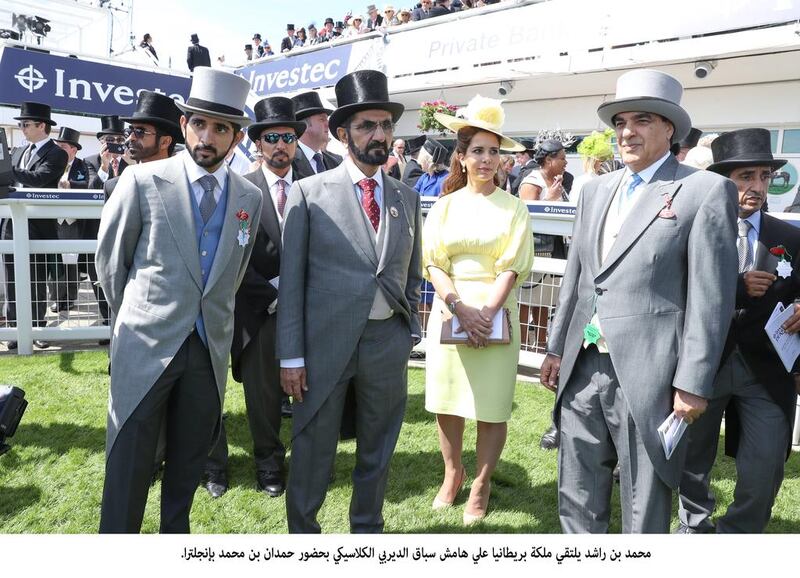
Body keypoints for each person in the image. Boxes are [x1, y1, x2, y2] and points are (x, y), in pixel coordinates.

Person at [539, 69, 738, 533]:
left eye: (642, 120)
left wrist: (692, 381)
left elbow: (712, 298)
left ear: (670, 128)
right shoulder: (594, 191)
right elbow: (579, 279)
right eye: (620, 122)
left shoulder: (704, 191)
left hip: (651, 375)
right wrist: (554, 348)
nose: (627, 132)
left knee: (643, 502)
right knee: (577, 493)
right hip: (582, 367)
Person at [96, 68, 262, 533]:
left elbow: (236, 266)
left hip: (207, 353)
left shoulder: (249, 195)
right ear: (185, 124)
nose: (208, 137)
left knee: (187, 469)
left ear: (236, 136)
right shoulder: (142, 181)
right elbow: (111, 264)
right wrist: (139, 317)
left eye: (221, 128)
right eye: (200, 124)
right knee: (128, 467)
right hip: (145, 346)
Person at [277, 69, 422, 533]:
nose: (379, 135)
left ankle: (367, 533)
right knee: (312, 451)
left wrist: (408, 331)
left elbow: (409, 272)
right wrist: (292, 356)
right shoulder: (308, 193)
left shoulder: (406, 196)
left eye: (385, 125)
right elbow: (293, 281)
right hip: (322, 347)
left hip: (386, 345)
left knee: (377, 450)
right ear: (342, 135)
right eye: (366, 126)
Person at [677, 128, 799, 534]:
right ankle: (693, 527)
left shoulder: (790, 237)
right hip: (705, 365)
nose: (757, 187)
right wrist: (736, 285)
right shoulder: (693, 227)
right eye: (746, 177)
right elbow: (678, 290)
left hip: (767, 370)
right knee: (692, 458)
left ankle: (737, 536)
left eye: (764, 177)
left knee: (765, 466)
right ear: (723, 181)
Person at [423, 95, 533, 524]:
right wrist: (458, 307)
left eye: (494, 151)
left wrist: (485, 313)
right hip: (450, 311)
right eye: (478, 151)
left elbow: (513, 265)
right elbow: (433, 261)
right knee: (446, 401)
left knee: (491, 405)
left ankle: (482, 483)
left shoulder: (515, 208)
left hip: (496, 313)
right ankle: (453, 474)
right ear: (462, 157)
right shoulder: (445, 205)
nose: (486, 159)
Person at [204, 97, 305, 500]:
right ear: (258, 144)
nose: (281, 145)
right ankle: (268, 463)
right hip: (258, 309)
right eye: (272, 138)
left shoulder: (318, 184)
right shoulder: (240, 190)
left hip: (308, 310)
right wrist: (273, 292)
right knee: (262, 395)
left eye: (288, 137)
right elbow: (233, 253)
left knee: (306, 391)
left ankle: (308, 456)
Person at [2, 102, 67, 351]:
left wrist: (8, 171)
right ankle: (15, 329)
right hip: (11, 223)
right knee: (12, 280)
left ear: (42, 125)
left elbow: (40, 179)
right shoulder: (18, 152)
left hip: (38, 226)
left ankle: (37, 327)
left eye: (25, 124)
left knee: (37, 279)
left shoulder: (56, 153)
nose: (22, 128)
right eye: (20, 124)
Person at [52, 127, 89, 314]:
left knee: (72, 261)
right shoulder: (51, 163)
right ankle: (57, 299)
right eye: (57, 145)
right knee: (55, 260)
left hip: (73, 221)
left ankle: (71, 297)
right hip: (54, 220)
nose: (59, 149)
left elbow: (88, 185)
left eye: (63, 146)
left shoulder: (82, 166)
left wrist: (70, 185)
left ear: (74, 149)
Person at [291, 91, 342, 178]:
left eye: (327, 119)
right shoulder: (289, 163)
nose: (328, 124)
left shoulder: (335, 162)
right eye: (322, 119)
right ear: (305, 126)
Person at [570, 129, 615, 204]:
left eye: (608, 159)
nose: (605, 163)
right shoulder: (584, 181)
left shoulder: (614, 179)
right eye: (602, 159)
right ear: (593, 160)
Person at [85, 116, 128, 189]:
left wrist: (133, 164)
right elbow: (92, 190)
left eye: (120, 139)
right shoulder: (91, 161)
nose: (115, 143)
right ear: (102, 141)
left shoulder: (132, 160)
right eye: (110, 139)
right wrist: (104, 167)